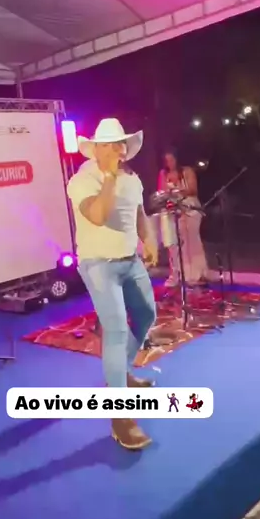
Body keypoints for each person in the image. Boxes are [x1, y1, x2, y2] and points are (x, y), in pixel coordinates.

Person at [67, 118, 158, 451]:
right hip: (98, 264)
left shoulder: (132, 177)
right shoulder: (82, 179)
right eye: (107, 145)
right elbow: (98, 215)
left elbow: (138, 212)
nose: (116, 150)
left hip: (130, 260)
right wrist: (108, 177)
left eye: (119, 144)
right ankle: (120, 417)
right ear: (96, 149)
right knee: (117, 331)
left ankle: (120, 375)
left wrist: (148, 239)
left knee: (147, 315)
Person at [157, 149, 208, 287]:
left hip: (190, 208)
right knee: (175, 243)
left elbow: (193, 190)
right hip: (173, 210)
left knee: (191, 240)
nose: (169, 163)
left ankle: (195, 274)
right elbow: (161, 192)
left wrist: (177, 191)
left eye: (171, 159)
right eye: (167, 161)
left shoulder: (187, 171)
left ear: (177, 159)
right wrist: (167, 196)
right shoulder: (163, 173)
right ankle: (179, 273)